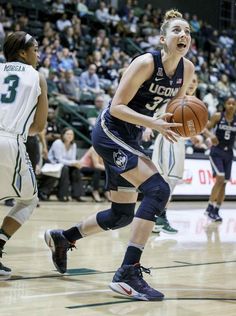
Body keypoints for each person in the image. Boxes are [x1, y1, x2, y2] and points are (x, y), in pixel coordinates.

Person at [44, 9, 194, 301]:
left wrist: (183, 124)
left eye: (187, 31)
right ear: (163, 39)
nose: (184, 35)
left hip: (133, 135)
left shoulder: (187, 69)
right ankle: (127, 272)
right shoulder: (145, 62)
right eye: (177, 30)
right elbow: (116, 107)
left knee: (121, 215)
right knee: (157, 189)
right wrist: (152, 123)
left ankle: (64, 238)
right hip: (111, 131)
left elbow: (173, 110)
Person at [0, 31, 48, 276]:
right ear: (22, 52)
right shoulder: (37, 76)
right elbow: (38, 127)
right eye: (35, 49)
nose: (38, 54)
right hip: (10, 141)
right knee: (28, 200)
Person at [151, 73, 199, 234]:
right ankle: (158, 217)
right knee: (165, 182)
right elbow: (157, 114)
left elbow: (189, 128)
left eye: (195, 82)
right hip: (168, 140)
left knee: (170, 183)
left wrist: (196, 136)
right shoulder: (174, 99)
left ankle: (157, 217)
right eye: (190, 80)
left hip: (178, 143)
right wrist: (147, 128)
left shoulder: (192, 104)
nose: (192, 84)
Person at [204, 96, 236, 222]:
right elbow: (204, 127)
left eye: (234, 104)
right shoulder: (218, 116)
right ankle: (209, 207)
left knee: (224, 183)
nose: (231, 106)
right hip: (217, 151)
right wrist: (211, 135)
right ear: (225, 105)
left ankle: (216, 210)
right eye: (229, 103)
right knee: (220, 177)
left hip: (229, 154)